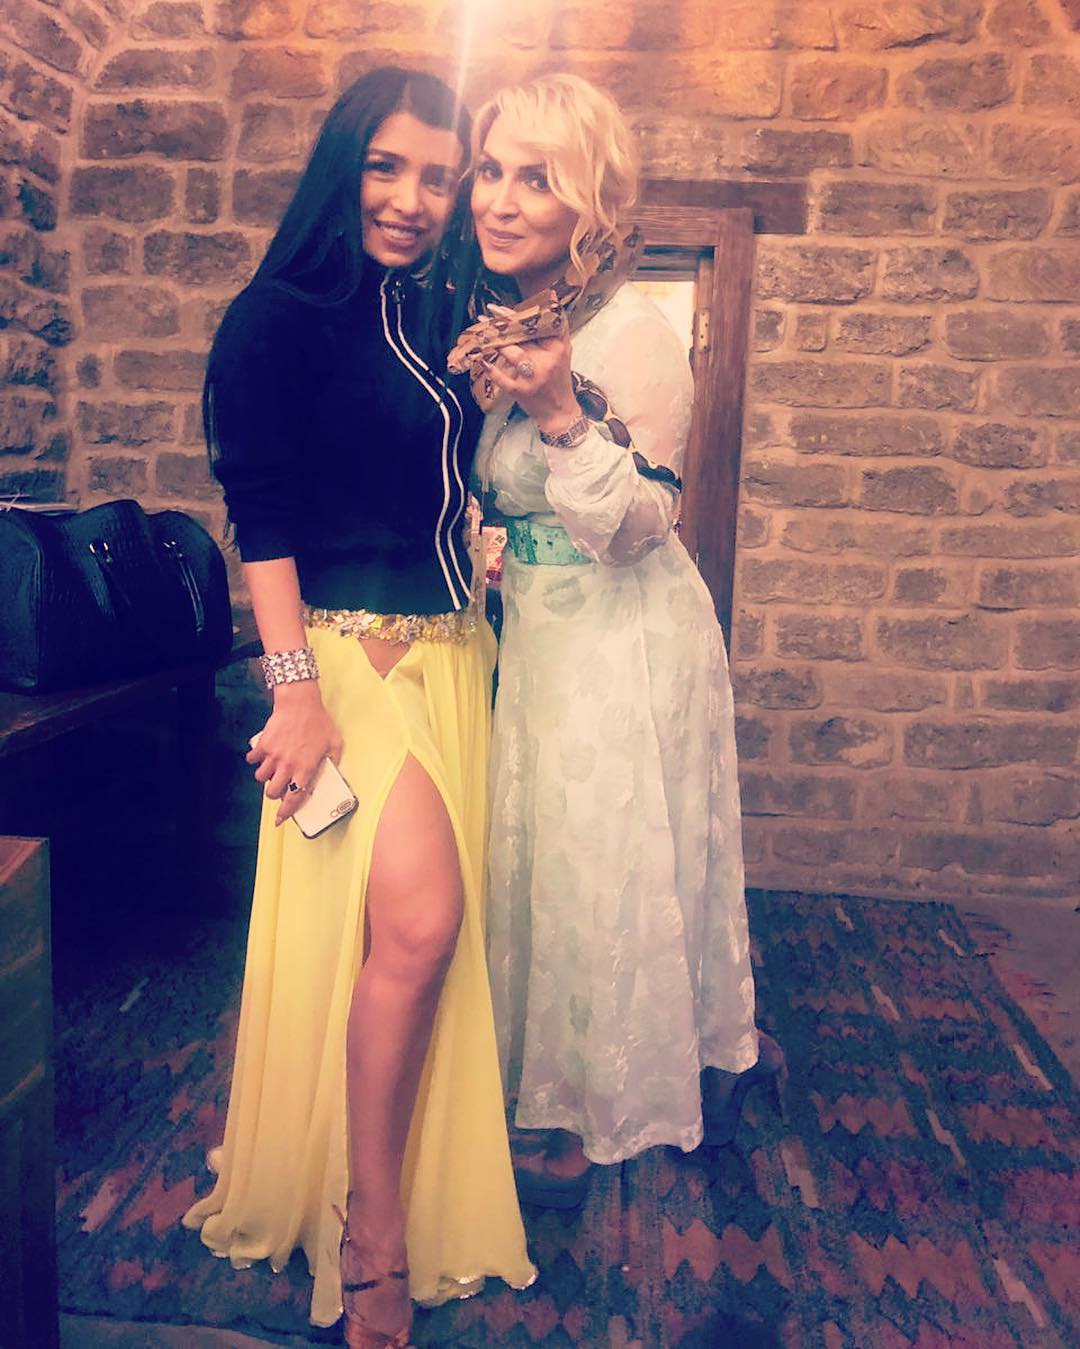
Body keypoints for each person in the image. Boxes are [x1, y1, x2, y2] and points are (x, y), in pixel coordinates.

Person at [181, 67, 535, 1346]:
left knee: (398, 936)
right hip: (344, 664)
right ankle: (371, 1232)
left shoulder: (440, 313)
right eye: (388, 166)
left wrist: (479, 540)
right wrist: (295, 693)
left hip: (452, 657)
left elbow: (427, 479)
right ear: (344, 164)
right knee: (423, 924)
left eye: (439, 176)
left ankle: (356, 1164)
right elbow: (263, 517)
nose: (413, 198)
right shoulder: (274, 319)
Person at [448, 73, 784, 1206]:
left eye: (536, 178)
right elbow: (505, 496)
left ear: (588, 203)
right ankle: (544, 1076)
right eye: (490, 170)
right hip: (540, 635)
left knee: (604, 859)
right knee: (540, 857)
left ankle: (596, 1108)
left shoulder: (633, 332)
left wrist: (557, 412)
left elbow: (642, 523)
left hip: (626, 635)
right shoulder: (505, 323)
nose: (499, 199)